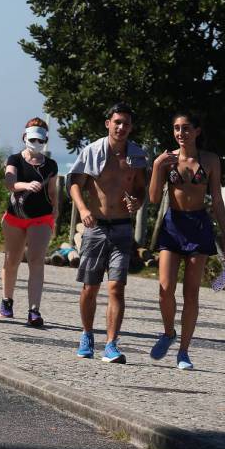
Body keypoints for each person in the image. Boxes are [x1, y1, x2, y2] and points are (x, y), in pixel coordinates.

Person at [146, 113, 225, 370]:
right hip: (173, 225)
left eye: (186, 128)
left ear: (197, 131)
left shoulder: (210, 160)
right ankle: (168, 332)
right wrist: (156, 166)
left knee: (191, 292)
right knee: (165, 289)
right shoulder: (167, 160)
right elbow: (152, 199)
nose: (180, 133)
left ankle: (184, 351)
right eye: (176, 128)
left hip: (199, 226)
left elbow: (216, 200)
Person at [67, 102, 148, 363]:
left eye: (126, 123)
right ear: (108, 124)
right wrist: (82, 209)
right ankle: (87, 334)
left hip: (122, 228)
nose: (121, 127)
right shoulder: (92, 151)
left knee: (117, 287)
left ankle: (112, 343)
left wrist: (137, 202)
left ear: (131, 127)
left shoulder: (136, 156)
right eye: (117, 122)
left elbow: (141, 189)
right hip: (96, 227)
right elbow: (75, 185)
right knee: (91, 287)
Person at [0, 118, 59, 327]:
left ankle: (34, 310)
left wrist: (55, 210)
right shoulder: (15, 159)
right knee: (12, 259)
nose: (37, 143)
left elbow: (52, 191)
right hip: (15, 217)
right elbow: (9, 182)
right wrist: (25, 185)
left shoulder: (50, 165)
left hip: (41, 217)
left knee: (36, 260)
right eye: (33, 139)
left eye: (40, 140)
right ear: (25, 137)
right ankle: (7, 299)